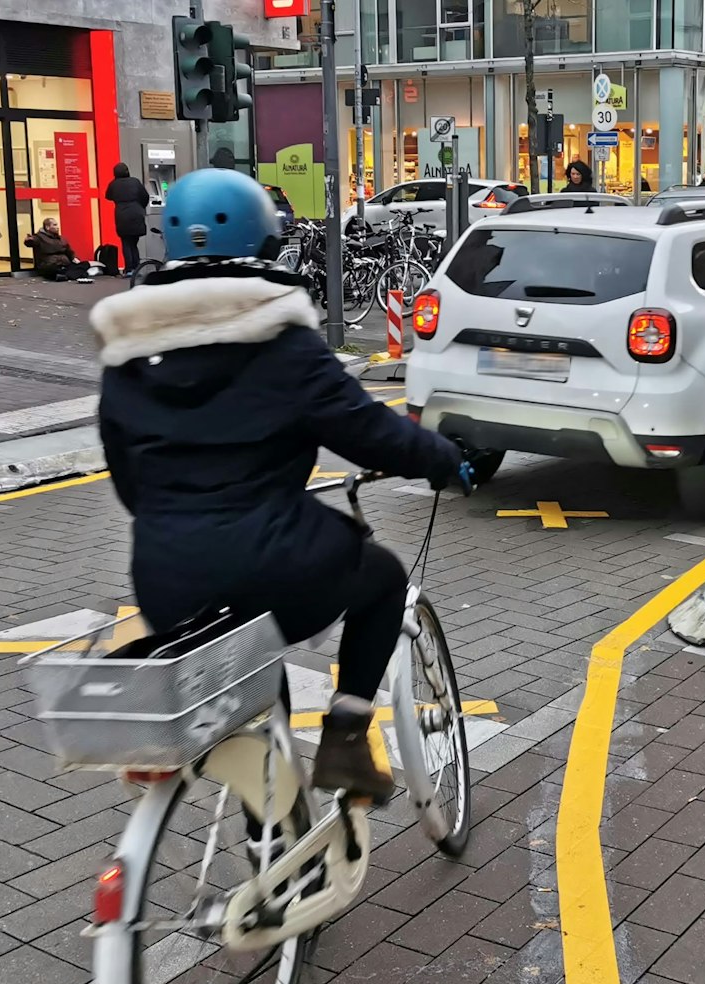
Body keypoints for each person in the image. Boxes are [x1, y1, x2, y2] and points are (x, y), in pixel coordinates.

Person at [90, 169, 473, 805]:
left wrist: (176, 515)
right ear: (265, 244)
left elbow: (127, 474)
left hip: (164, 574)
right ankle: (347, 740)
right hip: (275, 562)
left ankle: (270, 829)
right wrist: (441, 459)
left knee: (251, 684)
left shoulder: (128, 354)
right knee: (380, 578)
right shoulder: (280, 338)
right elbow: (365, 429)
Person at [104, 162, 149, 276]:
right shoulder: (135, 182)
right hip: (136, 212)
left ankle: (129, 269)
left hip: (122, 214)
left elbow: (108, 196)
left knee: (126, 242)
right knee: (134, 243)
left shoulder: (113, 184)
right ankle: (136, 268)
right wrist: (140, 207)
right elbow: (145, 196)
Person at [24, 218, 91, 281]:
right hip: (50, 265)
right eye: (54, 225)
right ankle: (71, 274)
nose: (57, 227)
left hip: (64, 264)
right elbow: (31, 242)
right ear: (47, 227)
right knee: (53, 270)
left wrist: (74, 258)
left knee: (85, 264)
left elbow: (69, 251)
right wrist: (29, 240)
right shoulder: (39, 237)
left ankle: (66, 275)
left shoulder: (61, 239)